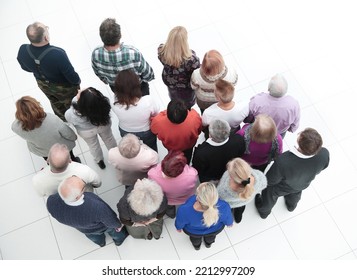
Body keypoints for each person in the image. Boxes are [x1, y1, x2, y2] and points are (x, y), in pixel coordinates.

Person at [255, 128, 330, 218]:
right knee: (296, 193)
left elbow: (271, 180)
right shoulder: (324, 154)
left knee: (270, 192)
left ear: (300, 142)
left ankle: (264, 212)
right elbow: (324, 167)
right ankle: (291, 206)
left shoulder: (284, 161)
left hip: (284, 186)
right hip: (303, 183)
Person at [17, 22, 80, 121]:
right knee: (73, 103)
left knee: (55, 101)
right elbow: (72, 77)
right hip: (63, 87)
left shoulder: (23, 49)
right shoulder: (58, 54)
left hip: (42, 84)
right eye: (46, 28)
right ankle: (78, 117)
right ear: (46, 37)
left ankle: (63, 118)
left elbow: (25, 68)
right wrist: (77, 82)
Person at [47, 175, 128, 247]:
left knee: (94, 237)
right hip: (100, 227)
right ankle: (118, 241)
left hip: (83, 229)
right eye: (83, 187)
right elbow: (111, 220)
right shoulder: (96, 206)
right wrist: (118, 225)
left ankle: (101, 243)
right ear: (77, 196)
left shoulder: (50, 202)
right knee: (115, 232)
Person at [92, 18, 154, 95]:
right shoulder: (133, 53)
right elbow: (149, 75)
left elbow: (99, 74)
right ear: (120, 35)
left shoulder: (96, 54)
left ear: (101, 36)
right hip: (138, 88)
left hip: (117, 89)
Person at [11, 96, 80, 162]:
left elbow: (17, 122)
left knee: (50, 160)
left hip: (43, 151)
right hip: (62, 147)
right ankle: (74, 161)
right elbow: (67, 133)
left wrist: (24, 116)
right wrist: (74, 137)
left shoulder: (16, 127)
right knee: (70, 156)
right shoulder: (52, 119)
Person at [65, 87, 117, 169]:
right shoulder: (103, 104)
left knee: (93, 146)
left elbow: (70, 122)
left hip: (86, 132)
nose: (79, 91)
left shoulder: (70, 113)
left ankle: (99, 161)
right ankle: (116, 157)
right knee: (109, 139)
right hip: (103, 124)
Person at [175, 182, 233, 250]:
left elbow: (180, 222)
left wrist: (178, 228)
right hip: (214, 230)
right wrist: (229, 223)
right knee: (211, 238)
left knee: (195, 240)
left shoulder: (184, 209)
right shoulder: (224, 206)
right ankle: (208, 244)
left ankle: (197, 246)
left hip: (194, 232)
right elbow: (228, 219)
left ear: (198, 198)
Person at [111, 69, 159, 151]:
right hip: (146, 130)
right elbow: (156, 113)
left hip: (126, 131)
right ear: (137, 85)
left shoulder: (115, 102)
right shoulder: (147, 100)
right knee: (151, 148)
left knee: (132, 151)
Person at [32, 144, 101, 197]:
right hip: (85, 196)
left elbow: (42, 195)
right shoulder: (84, 170)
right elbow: (97, 183)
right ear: (70, 160)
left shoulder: (37, 179)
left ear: (48, 160)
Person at [245, 73, 300, 138]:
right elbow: (294, 126)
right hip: (278, 135)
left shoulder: (256, 101)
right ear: (286, 90)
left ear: (269, 88)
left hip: (258, 132)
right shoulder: (294, 105)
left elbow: (247, 119)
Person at [158, 26, 200, 108]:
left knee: (173, 95)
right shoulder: (192, 59)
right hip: (185, 85)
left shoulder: (161, 50)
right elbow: (196, 73)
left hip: (170, 81)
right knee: (187, 101)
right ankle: (187, 109)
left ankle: (175, 104)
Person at [148, 150, 198, 218]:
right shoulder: (192, 175)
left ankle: (171, 214)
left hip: (166, 200)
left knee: (169, 206)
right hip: (183, 199)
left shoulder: (152, 174)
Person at [192, 119, 245, 183]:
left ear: (210, 135)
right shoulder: (238, 140)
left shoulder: (201, 153)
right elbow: (241, 154)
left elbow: (197, 168)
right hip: (229, 173)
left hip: (209, 178)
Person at [150, 99, 202, 164]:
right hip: (188, 147)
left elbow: (153, 129)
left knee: (172, 158)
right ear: (186, 113)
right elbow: (199, 131)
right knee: (187, 158)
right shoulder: (194, 117)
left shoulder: (158, 121)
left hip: (170, 148)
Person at [217, 158, 267, 223]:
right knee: (241, 207)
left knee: (231, 208)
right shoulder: (258, 176)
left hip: (232, 204)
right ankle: (239, 215)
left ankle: (236, 215)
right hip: (246, 199)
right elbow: (263, 184)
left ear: (232, 177)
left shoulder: (224, 188)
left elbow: (218, 197)